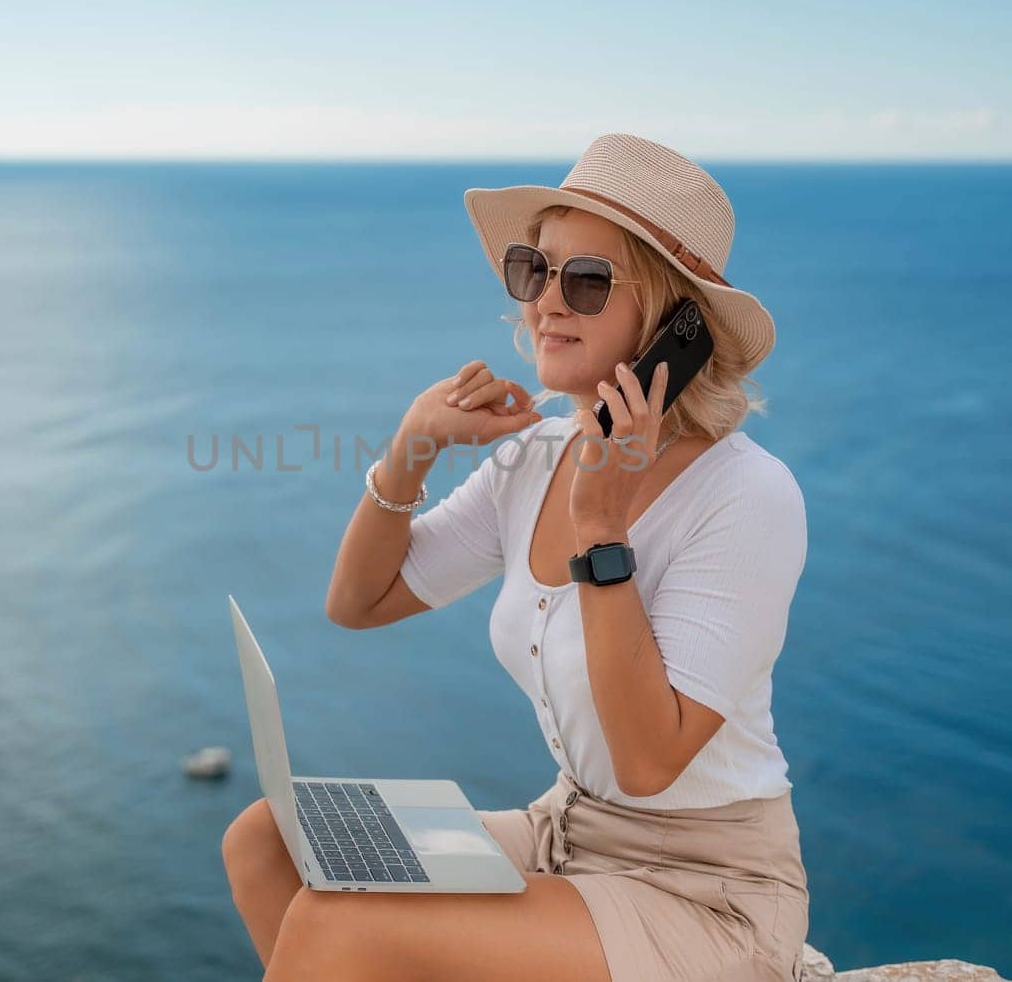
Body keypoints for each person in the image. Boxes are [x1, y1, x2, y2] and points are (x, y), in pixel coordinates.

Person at [222, 133, 810, 981]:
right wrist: (412, 449)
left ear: (675, 325)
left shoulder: (747, 495)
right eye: (537, 270)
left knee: (345, 920)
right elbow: (360, 600)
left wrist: (603, 531)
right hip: (566, 832)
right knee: (268, 841)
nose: (546, 304)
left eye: (588, 281)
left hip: (704, 891)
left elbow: (648, 761)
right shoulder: (532, 460)